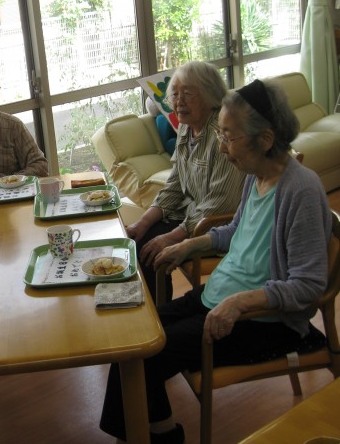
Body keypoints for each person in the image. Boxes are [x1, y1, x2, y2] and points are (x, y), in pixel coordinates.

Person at [99, 78, 333, 443]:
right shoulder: (256, 177)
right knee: (135, 338)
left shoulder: (300, 190)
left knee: (146, 356)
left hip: (263, 320)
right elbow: (235, 230)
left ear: (265, 139)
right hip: (220, 297)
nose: (221, 148)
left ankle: (153, 436)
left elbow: (308, 285)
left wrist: (239, 303)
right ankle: (159, 432)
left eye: (228, 137)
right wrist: (188, 245)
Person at [127, 61, 246, 303]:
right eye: (175, 94)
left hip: (215, 227)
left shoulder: (222, 135)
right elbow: (175, 183)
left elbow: (220, 203)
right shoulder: (186, 127)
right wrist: (142, 222)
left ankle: (160, 314)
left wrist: (172, 237)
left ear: (211, 96)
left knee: (150, 250)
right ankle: (156, 311)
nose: (179, 101)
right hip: (190, 216)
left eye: (188, 94)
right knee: (137, 240)